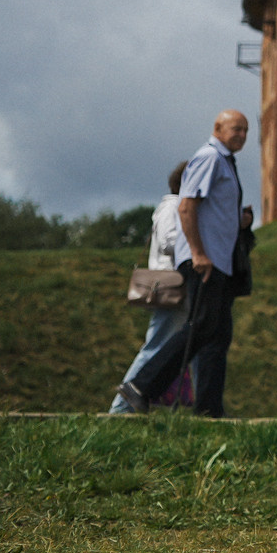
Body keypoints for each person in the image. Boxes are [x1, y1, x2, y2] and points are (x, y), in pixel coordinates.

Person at [131, 111, 248, 418]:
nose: (242, 135)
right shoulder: (209, 157)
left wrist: (239, 220)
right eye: (236, 129)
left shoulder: (223, 162)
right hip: (204, 261)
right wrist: (197, 253)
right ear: (218, 128)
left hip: (218, 261)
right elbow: (186, 206)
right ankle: (142, 386)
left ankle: (209, 409)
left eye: (246, 131)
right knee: (200, 327)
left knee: (217, 334)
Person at [109, 163, 192, 414]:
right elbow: (169, 242)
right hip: (171, 286)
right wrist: (198, 241)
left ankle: (133, 404)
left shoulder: (176, 207)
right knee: (156, 346)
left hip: (174, 285)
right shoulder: (172, 207)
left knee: (167, 345)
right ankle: (122, 406)